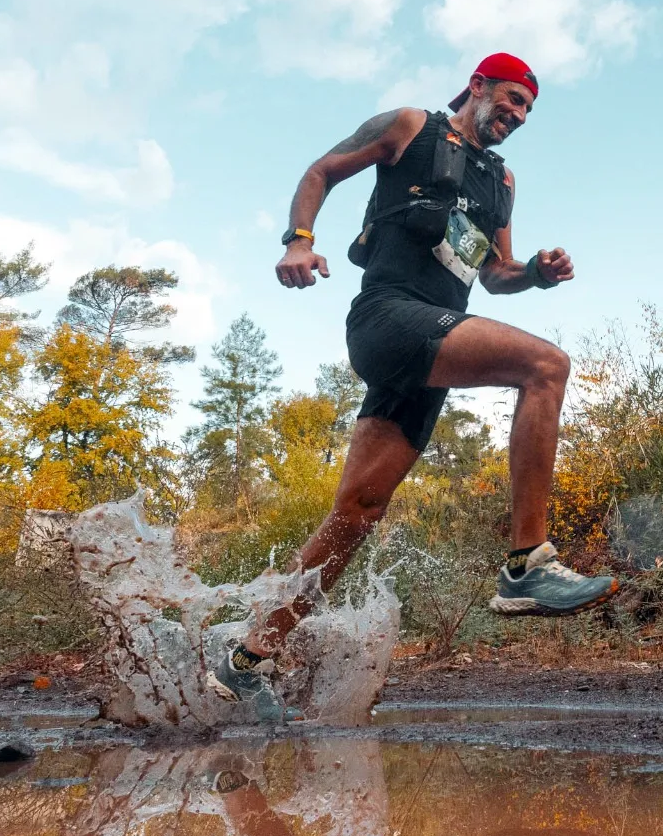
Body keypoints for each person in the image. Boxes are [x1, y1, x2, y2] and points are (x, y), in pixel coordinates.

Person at [217, 53, 619, 703]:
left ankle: (249, 654)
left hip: (426, 350)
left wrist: (537, 273)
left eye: (527, 109)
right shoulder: (411, 127)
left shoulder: (502, 183)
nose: (516, 115)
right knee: (547, 365)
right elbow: (322, 169)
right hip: (388, 317)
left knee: (356, 514)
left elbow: (495, 274)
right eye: (511, 98)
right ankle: (526, 563)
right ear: (479, 86)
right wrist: (297, 239)